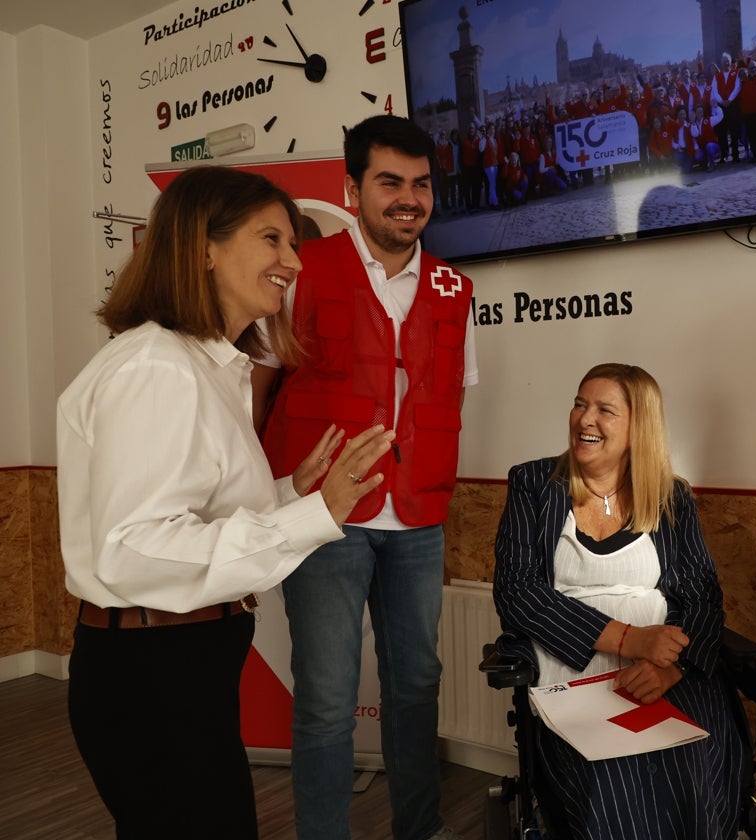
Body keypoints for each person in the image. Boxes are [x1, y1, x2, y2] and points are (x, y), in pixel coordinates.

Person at [58, 165, 395, 839]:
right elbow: (135, 548)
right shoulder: (157, 369)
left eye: (293, 244)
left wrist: (288, 493)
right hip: (153, 679)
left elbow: (191, 512)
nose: (292, 261)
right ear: (202, 248)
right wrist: (311, 517)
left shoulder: (204, 368)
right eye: (272, 239)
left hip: (179, 670)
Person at [255, 115, 476, 840]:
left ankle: (421, 829)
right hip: (325, 518)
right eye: (389, 183)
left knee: (416, 687)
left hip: (418, 521)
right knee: (325, 698)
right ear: (353, 190)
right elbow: (260, 391)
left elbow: (450, 397)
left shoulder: (453, 288)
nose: (407, 199)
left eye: (420, 184)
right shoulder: (302, 273)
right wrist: (267, 499)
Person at [493, 363, 750, 839]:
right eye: (579, 404)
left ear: (638, 428)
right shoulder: (534, 485)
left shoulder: (670, 497)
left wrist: (670, 667)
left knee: (695, 762)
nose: (585, 419)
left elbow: (701, 595)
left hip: (667, 666)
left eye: (604, 410)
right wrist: (632, 640)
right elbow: (519, 593)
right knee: (611, 779)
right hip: (572, 666)